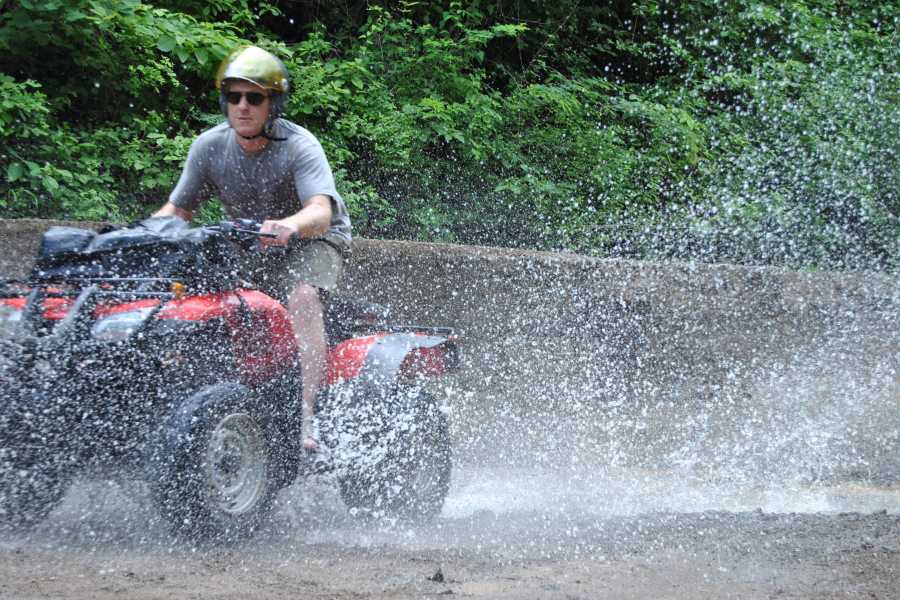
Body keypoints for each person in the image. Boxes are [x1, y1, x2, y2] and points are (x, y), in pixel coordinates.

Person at [153, 45, 352, 452]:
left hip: (312, 239)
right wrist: (143, 233)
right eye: (233, 97)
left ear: (272, 104)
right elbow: (178, 209)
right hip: (248, 241)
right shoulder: (208, 146)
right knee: (203, 301)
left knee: (302, 297)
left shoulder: (300, 145)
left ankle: (305, 415)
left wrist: (288, 225)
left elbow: (320, 212)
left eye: (254, 98)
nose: (242, 106)